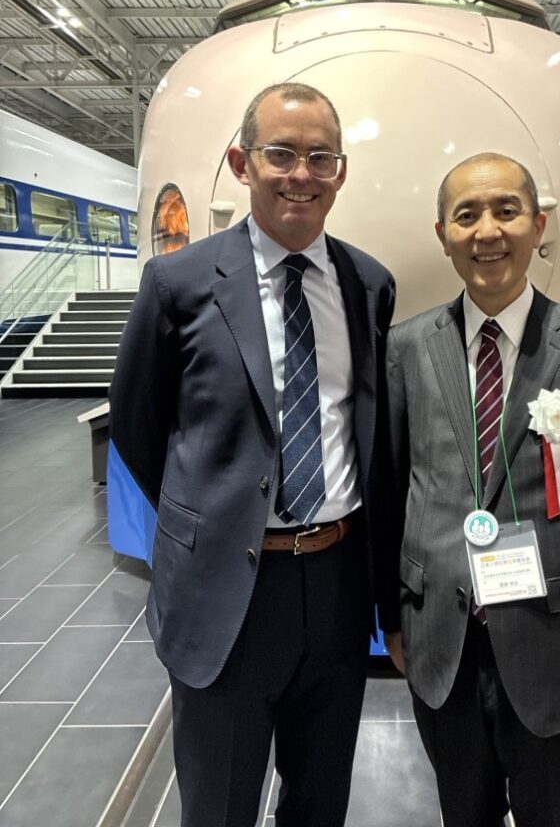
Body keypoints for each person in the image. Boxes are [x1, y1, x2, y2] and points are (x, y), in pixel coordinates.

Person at [109, 83, 398, 827]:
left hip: (337, 583)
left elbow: (366, 428)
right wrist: (211, 514)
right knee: (220, 805)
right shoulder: (178, 283)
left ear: (340, 171)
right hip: (225, 589)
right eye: (281, 154)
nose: (301, 174)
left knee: (320, 800)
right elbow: (139, 425)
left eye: (320, 157)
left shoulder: (369, 285)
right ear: (243, 163)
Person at [384, 153, 560, 827]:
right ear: (443, 235)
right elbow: (392, 492)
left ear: (538, 227)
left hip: (555, 648)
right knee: (462, 812)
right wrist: (393, 618)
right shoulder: (406, 350)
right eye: (466, 215)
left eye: (507, 211)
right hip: (443, 647)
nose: (488, 232)